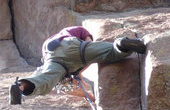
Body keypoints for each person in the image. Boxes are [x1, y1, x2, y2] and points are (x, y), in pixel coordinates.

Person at [9, 25, 146, 105]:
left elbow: (54, 69)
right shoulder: (78, 30)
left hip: (53, 57)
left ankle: (20, 86)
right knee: (110, 52)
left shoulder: (49, 42)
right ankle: (122, 43)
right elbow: (89, 47)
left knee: (46, 79)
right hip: (73, 46)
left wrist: (73, 74)